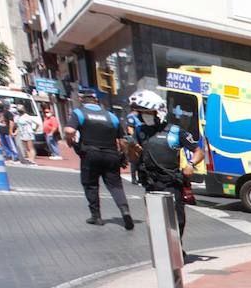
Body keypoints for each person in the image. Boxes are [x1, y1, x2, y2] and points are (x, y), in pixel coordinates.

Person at [126, 89, 203, 236]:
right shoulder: (140, 131)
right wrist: (130, 148)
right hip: (150, 182)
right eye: (142, 113)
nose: (144, 116)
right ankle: (163, 252)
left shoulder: (175, 131)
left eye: (148, 112)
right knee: (155, 221)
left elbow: (198, 152)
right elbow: (133, 159)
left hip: (171, 182)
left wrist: (191, 165)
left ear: (159, 112)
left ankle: (177, 248)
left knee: (177, 220)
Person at [65, 87, 134, 229]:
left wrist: (70, 142)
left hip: (90, 154)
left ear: (81, 100)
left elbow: (69, 130)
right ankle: (125, 211)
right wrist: (124, 156)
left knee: (91, 184)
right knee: (115, 185)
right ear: (96, 100)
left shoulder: (79, 113)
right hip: (111, 155)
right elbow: (122, 141)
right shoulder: (111, 116)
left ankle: (96, 216)